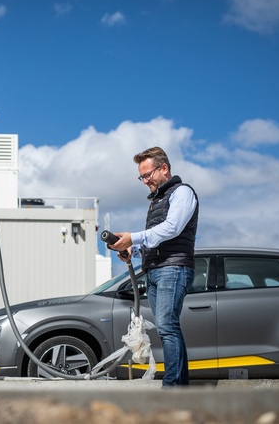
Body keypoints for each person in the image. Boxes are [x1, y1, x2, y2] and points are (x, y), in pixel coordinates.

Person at [109, 146, 198, 388]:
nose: (144, 181)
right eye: (142, 177)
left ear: (164, 168)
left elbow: (172, 228)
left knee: (168, 326)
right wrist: (132, 250)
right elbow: (157, 240)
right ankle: (179, 386)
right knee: (167, 327)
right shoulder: (156, 201)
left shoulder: (182, 193)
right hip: (156, 269)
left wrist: (134, 237)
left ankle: (172, 387)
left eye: (147, 175)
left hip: (174, 268)